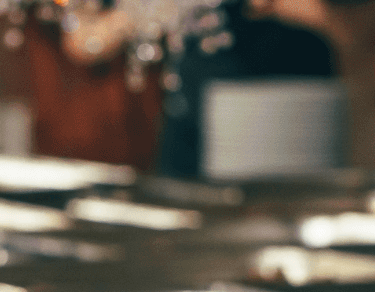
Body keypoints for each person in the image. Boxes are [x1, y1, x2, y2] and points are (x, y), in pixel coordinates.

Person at [65, 0, 340, 177]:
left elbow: (366, 33)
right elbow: (81, 42)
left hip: (283, 123)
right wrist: (141, 11)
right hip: (187, 123)